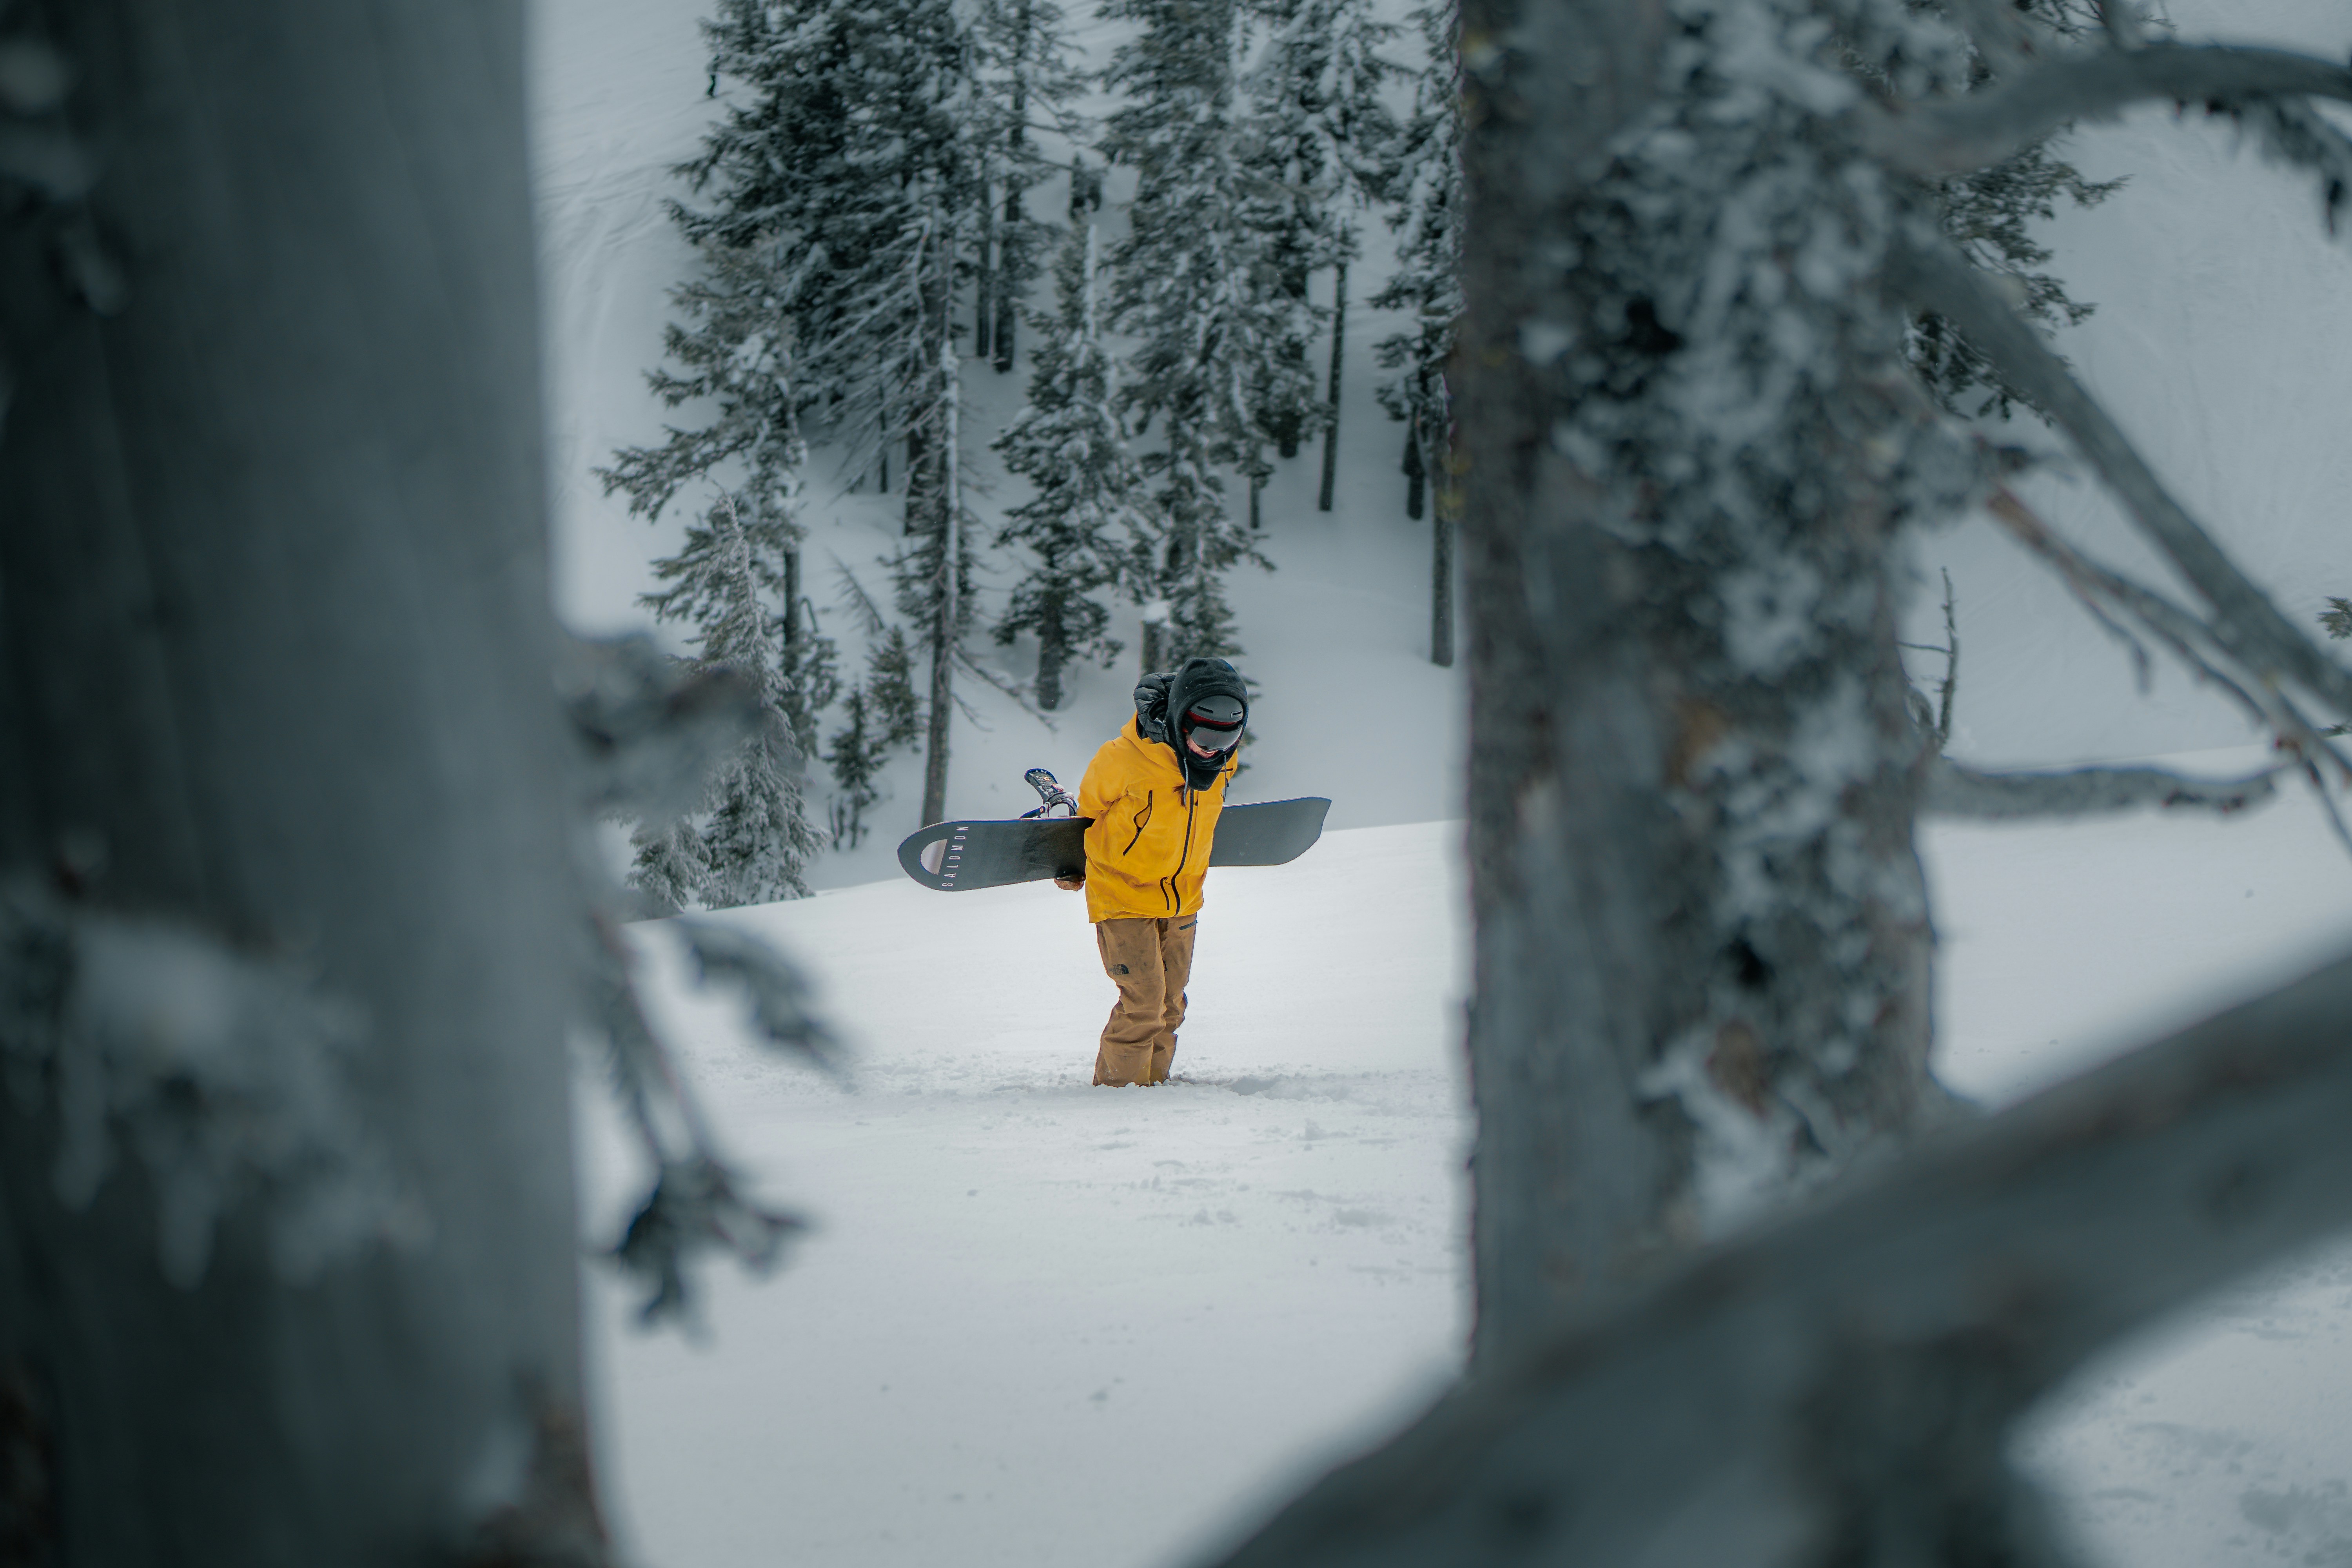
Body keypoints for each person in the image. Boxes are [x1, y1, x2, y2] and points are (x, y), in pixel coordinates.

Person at [1054, 657, 1248, 1086]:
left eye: (1228, 737)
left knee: (1171, 1006)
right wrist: (1070, 865)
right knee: (1144, 1003)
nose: (1211, 748)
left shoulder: (1221, 761)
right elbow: (1088, 816)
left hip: (1183, 899)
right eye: (1202, 735)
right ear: (1181, 719)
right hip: (1122, 896)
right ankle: (1119, 1093)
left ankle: (1154, 1092)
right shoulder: (1122, 759)